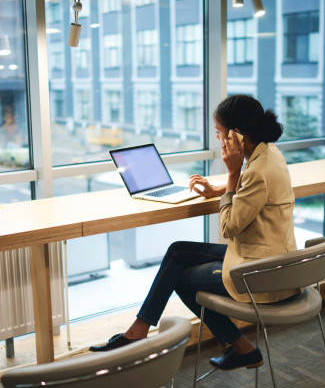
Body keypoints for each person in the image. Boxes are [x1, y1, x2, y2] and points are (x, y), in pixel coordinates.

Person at [90, 95, 297, 371]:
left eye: (219, 133)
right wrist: (222, 189)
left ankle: (240, 347)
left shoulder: (256, 170)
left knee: (183, 280)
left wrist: (232, 175)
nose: (218, 139)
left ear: (235, 136)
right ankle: (139, 331)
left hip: (259, 272)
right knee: (178, 251)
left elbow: (227, 228)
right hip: (269, 255)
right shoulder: (268, 154)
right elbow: (252, 194)